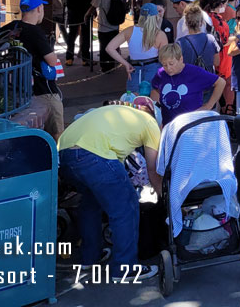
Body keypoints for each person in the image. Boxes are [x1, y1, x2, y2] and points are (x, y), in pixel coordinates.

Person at [57, 101, 162, 281]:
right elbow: (152, 168)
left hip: (64, 155)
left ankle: (91, 256)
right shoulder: (151, 123)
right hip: (94, 155)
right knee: (126, 207)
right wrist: (162, 196)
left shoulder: (118, 112)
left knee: (91, 203)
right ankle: (125, 268)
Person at [3, 0, 64, 138]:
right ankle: (57, 157)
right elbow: (52, 61)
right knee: (57, 132)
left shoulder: (13, 27)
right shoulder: (36, 32)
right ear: (39, 9)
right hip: (42, 89)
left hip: (18, 86)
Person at [150, 42, 225, 124]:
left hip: (192, 124)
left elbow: (221, 82)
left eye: (171, 64)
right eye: (164, 65)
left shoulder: (194, 72)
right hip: (169, 125)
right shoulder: (161, 73)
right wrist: (156, 109)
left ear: (181, 59)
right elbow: (155, 89)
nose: (168, 68)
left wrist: (208, 106)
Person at [105, 3, 168, 93]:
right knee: (153, 103)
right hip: (154, 69)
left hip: (134, 69)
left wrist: (126, 64)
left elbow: (109, 48)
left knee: (134, 102)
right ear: (155, 17)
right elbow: (164, 58)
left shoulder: (129, 31)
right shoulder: (160, 34)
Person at [88, 0, 126, 73]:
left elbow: (93, 6)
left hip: (103, 25)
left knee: (104, 47)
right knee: (113, 46)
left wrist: (86, 16)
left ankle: (105, 68)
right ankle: (112, 64)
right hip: (115, 25)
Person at [63, 0, 95, 66]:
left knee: (72, 34)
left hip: (72, 9)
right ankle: (85, 59)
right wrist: (93, 9)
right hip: (85, 9)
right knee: (86, 34)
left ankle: (69, 58)